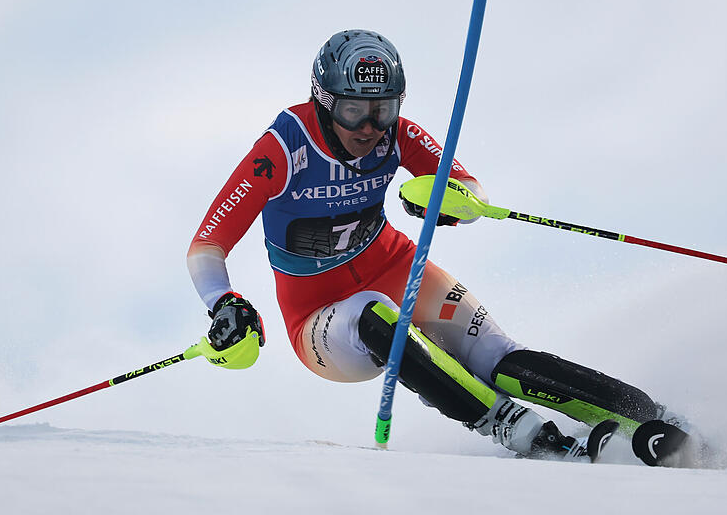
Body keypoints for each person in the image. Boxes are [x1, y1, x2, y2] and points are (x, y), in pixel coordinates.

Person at [187, 29, 686, 464]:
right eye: (352, 109)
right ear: (323, 101)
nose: (367, 127)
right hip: (321, 320)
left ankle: (652, 416)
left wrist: (449, 201)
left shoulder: (397, 135)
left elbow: (472, 189)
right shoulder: (283, 147)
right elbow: (207, 243)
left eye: (381, 110)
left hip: (396, 265)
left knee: (496, 354)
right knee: (375, 314)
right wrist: (223, 302)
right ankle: (526, 434)